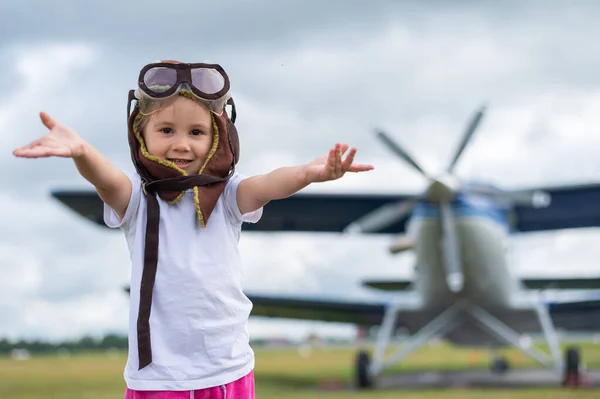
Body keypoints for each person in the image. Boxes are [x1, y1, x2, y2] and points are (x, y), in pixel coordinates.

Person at [13, 60, 374, 398]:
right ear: (141, 136)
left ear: (218, 137)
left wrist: (309, 174)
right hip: (157, 375)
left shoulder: (230, 197)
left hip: (227, 368)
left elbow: (269, 183)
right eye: (166, 130)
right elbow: (108, 181)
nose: (182, 144)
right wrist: (82, 153)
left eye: (196, 132)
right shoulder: (139, 201)